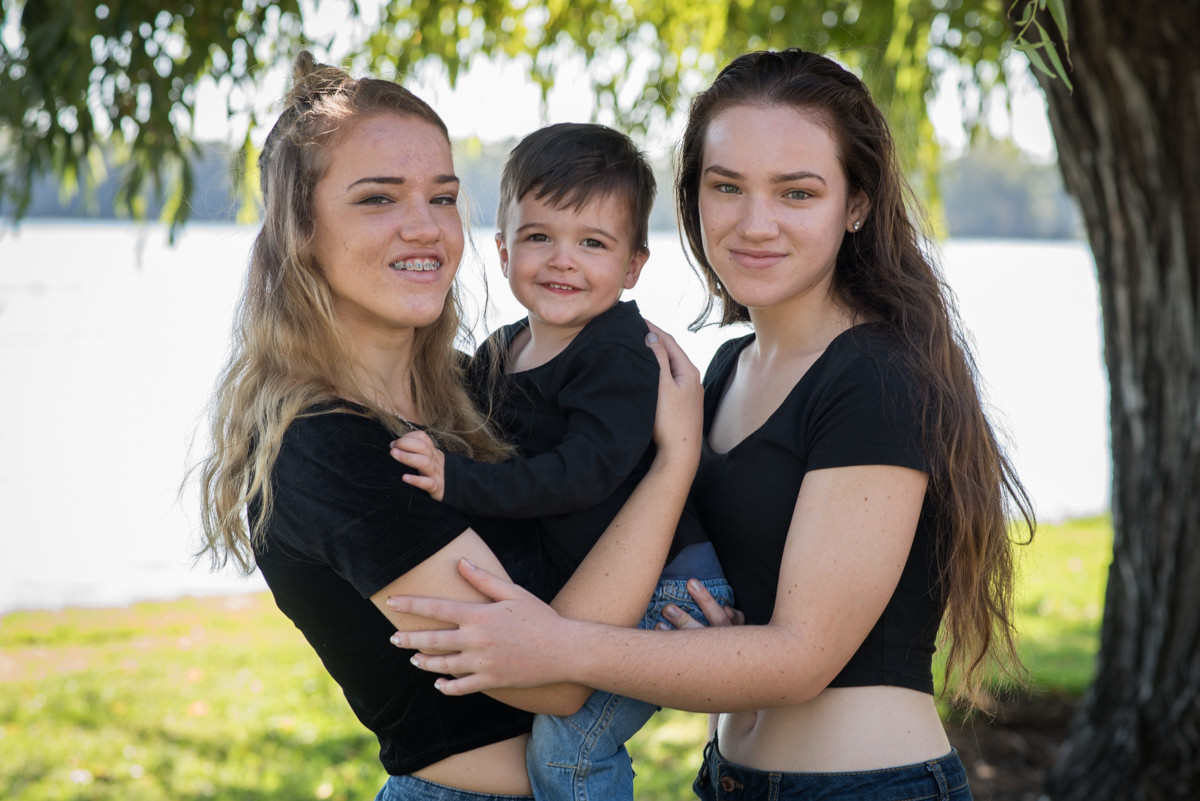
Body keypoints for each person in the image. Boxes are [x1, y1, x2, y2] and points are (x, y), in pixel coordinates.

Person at [385, 48, 1035, 801]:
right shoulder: (720, 369)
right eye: (727, 187)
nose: (756, 223)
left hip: (864, 785)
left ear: (855, 204)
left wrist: (555, 645)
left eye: (796, 192)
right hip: (731, 779)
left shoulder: (876, 376)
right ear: (694, 198)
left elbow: (802, 658)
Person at [194, 52, 707, 801]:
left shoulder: (480, 387)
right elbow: (556, 683)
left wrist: (699, 602)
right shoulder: (323, 445)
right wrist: (674, 462)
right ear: (301, 229)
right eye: (378, 199)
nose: (425, 228)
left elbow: (590, 517)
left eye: (442, 197)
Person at [389, 121, 734, 801]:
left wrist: (457, 479)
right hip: (600, 593)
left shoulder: (619, 354)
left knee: (567, 748)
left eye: (593, 243)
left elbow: (582, 474)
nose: (562, 260)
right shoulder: (502, 349)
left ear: (633, 265)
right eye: (540, 236)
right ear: (503, 245)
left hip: (669, 594)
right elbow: (465, 425)